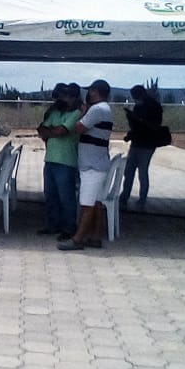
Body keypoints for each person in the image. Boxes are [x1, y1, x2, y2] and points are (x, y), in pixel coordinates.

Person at [59, 78, 113, 251]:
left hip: (91, 165)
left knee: (87, 204)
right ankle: (96, 237)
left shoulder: (96, 110)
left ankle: (77, 239)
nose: (88, 93)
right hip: (99, 161)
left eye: (90, 90)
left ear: (95, 91)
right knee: (96, 203)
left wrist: (83, 112)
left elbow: (79, 128)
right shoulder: (106, 109)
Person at [36, 82, 81, 239]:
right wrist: (52, 131)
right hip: (50, 159)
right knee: (50, 195)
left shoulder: (77, 113)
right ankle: (52, 225)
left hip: (66, 161)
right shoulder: (55, 112)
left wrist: (50, 132)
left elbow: (62, 130)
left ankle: (69, 228)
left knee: (66, 197)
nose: (61, 99)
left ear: (73, 98)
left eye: (65, 96)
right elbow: (41, 129)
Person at [121, 83, 167, 209]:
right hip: (141, 142)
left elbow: (152, 126)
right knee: (133, 171)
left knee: (138, 172)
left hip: (146, 143)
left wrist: (136, 119)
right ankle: (130, 198)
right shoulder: (146, 106)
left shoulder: (152, 107)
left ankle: (135, 198)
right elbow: (136, 126)